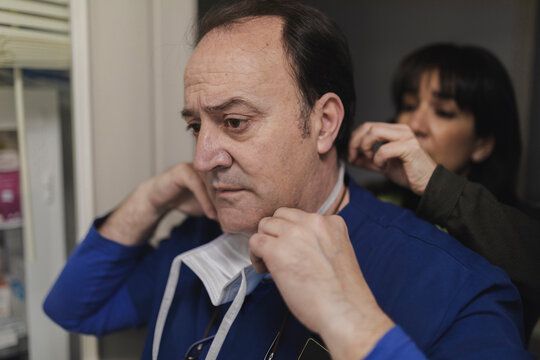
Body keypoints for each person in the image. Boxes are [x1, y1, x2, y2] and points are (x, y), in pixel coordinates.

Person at [44, 2, 531, 359]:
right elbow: (74, 308)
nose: (203, 158)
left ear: (323, 124)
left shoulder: (455, 286)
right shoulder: (201, 238)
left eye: (234, 122)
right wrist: (150, 200)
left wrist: (348, 320)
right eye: (196, 126)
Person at [348, 43, 540, 340]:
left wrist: (434, 184)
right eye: (409, 106)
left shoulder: (512, 229)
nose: (415, 124)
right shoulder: (377, 199)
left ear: (483, 143)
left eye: (444, 112)